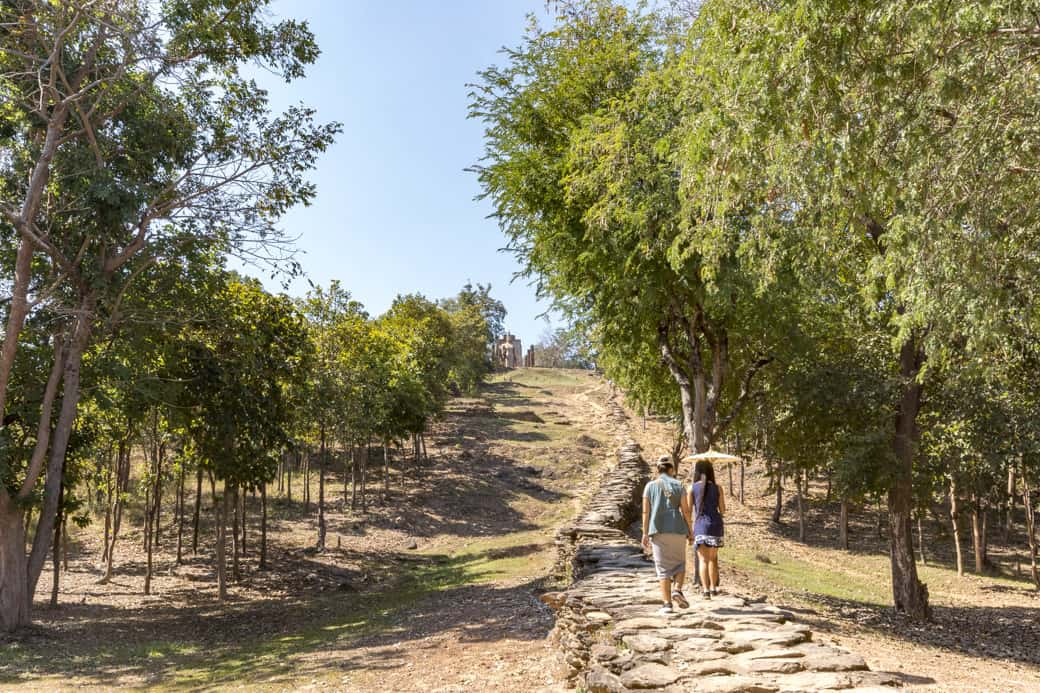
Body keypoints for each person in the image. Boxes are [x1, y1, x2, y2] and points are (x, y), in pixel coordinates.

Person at [641, 455, 692, 614]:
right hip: (678, 529)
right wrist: (691, 531)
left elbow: (645, 512)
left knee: (662, 569)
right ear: (671, 469)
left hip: (658, 530)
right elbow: (685, 511)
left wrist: (644, 533)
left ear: (658, 469)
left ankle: (667, 605)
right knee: (680, 564)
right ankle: (677, 589)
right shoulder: (679, 485)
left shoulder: (649, 486)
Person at [689, 459, 725, 599]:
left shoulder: (692, 488)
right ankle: (714, 588)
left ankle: (705, 590)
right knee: (712, 558)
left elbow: (688, 509)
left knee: (703, 560)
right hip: (715, 525)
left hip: (700, 526)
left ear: (697, 471)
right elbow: (723, 510)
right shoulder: (718, 488)